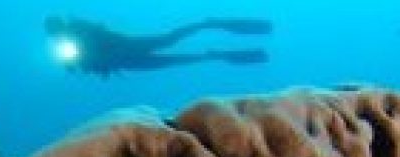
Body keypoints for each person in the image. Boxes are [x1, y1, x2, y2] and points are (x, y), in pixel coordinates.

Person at [44, 16, 272, 76]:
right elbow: (78, 67)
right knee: (174, 60)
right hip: (126, 63)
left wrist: (81, 47)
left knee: (168, 39)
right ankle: (216, 55)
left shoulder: (78, 27)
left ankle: (207, 24)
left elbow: (99, 34)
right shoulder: (65, 48)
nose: (58, 33)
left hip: (127, 48)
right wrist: (71, 62)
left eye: (57, 28)